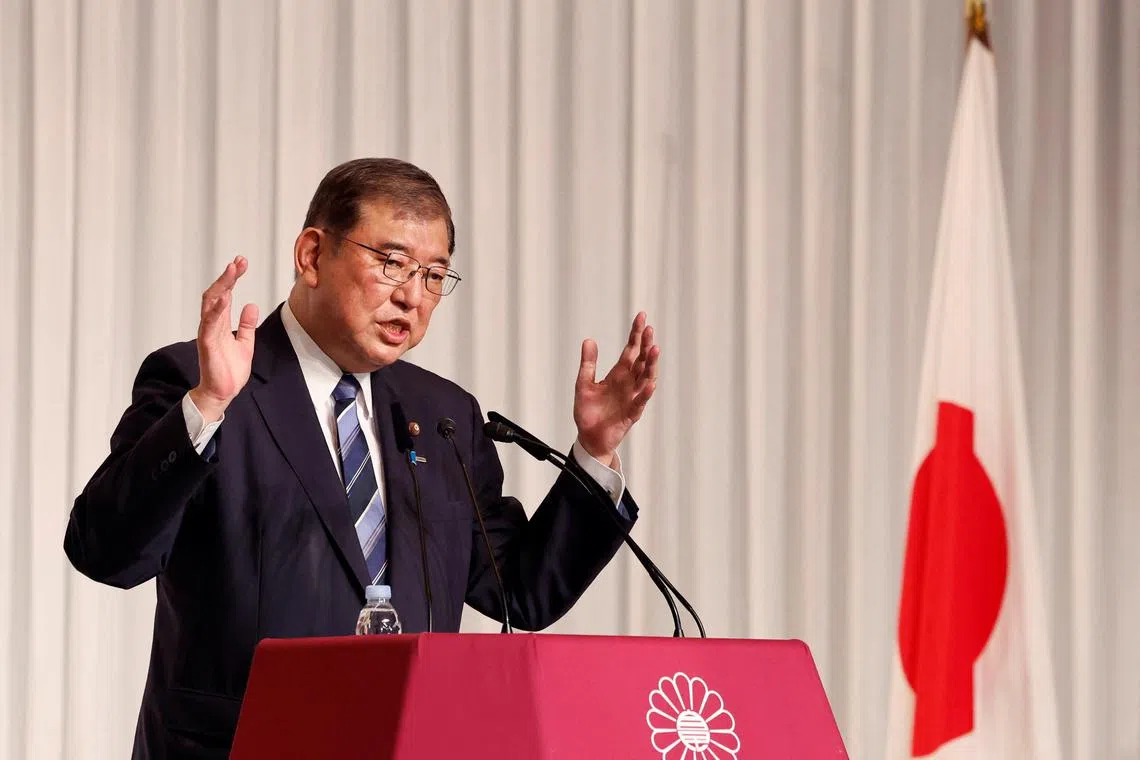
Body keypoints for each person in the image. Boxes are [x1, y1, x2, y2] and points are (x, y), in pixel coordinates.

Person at [63, 158, 659, 759]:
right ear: (313, 256)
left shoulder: (444, 414)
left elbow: (522, 592)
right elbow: (105, 554)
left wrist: (595, 451)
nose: (411, 297)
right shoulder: (202, 382)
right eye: (392, 263)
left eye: (434, 276)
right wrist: (209, 405)